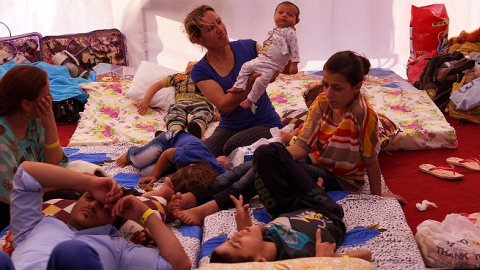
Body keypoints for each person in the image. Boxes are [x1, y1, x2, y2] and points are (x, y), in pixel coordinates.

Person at [4, 161, 191, 270]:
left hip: (76, 256)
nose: (93, 204)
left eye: (104, 206)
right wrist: (90, 183)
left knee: (72, 252)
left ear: (114, 219)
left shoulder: (119, 248)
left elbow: (179, 265)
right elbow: (25, 174)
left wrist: (145, 214)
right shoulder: (34, 225)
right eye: (88, 197)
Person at [209, 143, 372, 263]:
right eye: (237, 243)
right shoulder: (298, 258)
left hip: (286, 209)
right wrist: (327, 260)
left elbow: (271, 229)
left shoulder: (263, 238)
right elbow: (366, 256)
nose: (235, 235)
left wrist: (244, 227)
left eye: (230, 239)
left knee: (265, 152)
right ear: (261, 262)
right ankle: (312, 187)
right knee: (273, 150)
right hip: (322, 208)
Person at [286, 50, 406, 204]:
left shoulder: (362, 114)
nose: (328, 93)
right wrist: (274, 155)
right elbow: (302, 146)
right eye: (325, 84)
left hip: (339, 179)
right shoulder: (321, 101)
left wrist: (377, 195)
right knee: (260, 164)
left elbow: (370, 159)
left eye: (337, 88)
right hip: (315, 162)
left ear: (356, 87)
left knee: (283, 169)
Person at [184, 4, 283, 157]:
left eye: (219, 21)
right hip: (230, 127)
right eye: (210, 28)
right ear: (198, 40)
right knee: (195, 154)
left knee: (232, 146)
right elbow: (225, 105)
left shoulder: (248, 47)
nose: (220, 28)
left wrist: (286, 43)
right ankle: (146, 157)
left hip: (266, 124)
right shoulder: (200, 70)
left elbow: (279, 64)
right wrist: (250, 81)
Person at [0, 65, 68, 231]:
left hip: (31, 192)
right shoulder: (2, 136)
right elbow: (16, 191)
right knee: (69, 195)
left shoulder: (34, 119)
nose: (51, 98)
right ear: (26, 104)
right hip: (7, 206)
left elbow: (55, 167)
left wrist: (51, 127)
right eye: (46, 95)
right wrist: (74, 182)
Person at [227, 1, 300, 114]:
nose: (284, 15)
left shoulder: (290, 33)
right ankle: (239, 85)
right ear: (274, 16)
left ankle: (251, 99)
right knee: (246, 66)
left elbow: (294, 48)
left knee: (261, 80)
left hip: (274, 65)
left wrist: (294, 63)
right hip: (262, 59)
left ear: (297, 21)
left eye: (290, 15)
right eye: (280, 12)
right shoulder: (272, 29)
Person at [137, 61, 218, 139]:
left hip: (201, 104)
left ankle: (196, 131)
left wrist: (218, 111)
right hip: (180, 105)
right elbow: (158, 84)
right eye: (196, 62)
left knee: (201, 115)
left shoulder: (207, 78)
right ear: (188, 63)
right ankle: (171, 135)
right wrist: (146, 99)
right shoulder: (178, 76)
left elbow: (220, 93)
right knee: (175, 116)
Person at [116, 129, 226, 186]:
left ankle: (168, 162)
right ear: (191, 165)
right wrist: (155, 175)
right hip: (170, 140)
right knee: (140, 160)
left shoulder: (216, 170)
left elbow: (223, 160)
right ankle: (131, 153)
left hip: (174, 159)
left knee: (145, 173)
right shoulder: (186, 154)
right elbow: (166, 153)